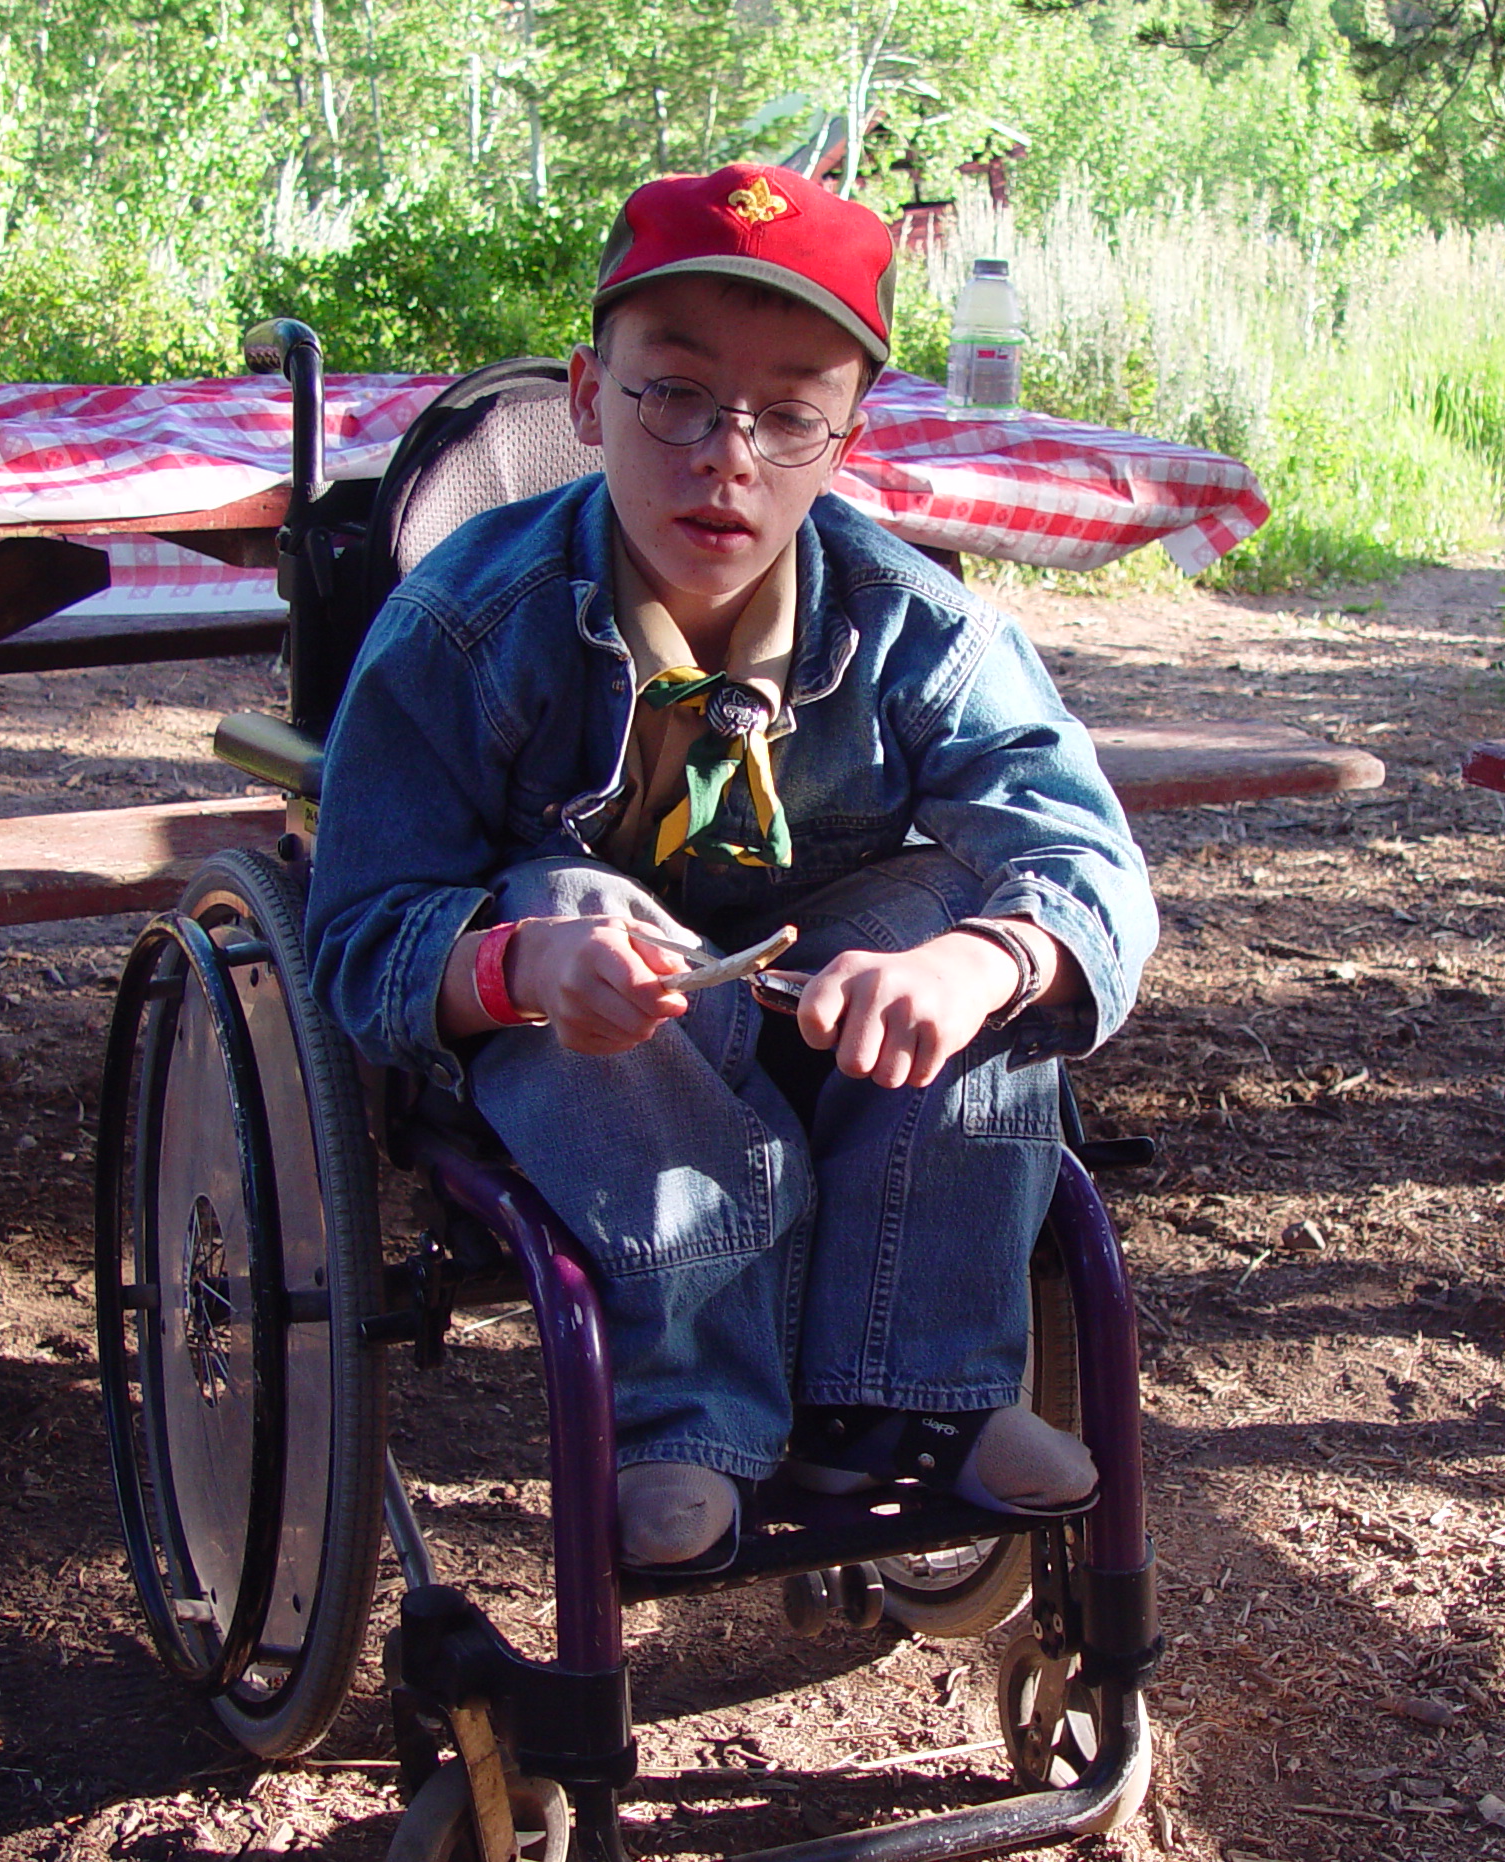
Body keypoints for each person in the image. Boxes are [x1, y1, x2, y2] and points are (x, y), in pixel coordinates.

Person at [306, 162, 1157, 1572]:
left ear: (848, 436)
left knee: (979, 914)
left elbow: (1087, 859)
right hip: (588, 1048)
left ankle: (911, 1395)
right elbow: (358, 932)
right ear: (588, 396)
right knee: (560, 899)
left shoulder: (920, 631)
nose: (726, 454)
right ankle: (693, 1414)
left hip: (822, 1014)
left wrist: (980, 960)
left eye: (787, 414)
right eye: (675, 395)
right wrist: (511, 969)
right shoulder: (462, 629)